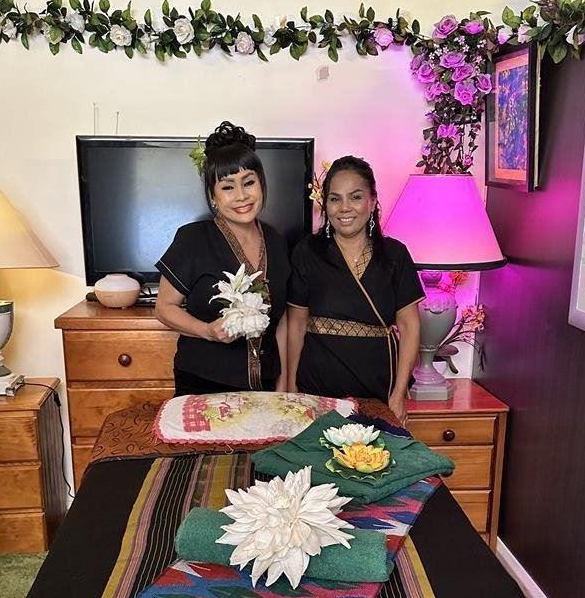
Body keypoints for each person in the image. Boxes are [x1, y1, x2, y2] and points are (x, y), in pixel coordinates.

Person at [154, 121, 289, 395]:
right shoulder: (193, 239)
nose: (241, 196)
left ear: (262, 184)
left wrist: (283, 381)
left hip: (265, 386)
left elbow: (282, 320)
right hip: (203, 385)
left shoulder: (277, 241)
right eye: (228, 187)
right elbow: (164, 308)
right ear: (212, 196)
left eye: (249, 183)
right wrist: (207, 330)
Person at [287, 155, 422, 422]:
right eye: (335, 199)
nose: (344, 208)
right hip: (316, 389)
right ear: (325, 204)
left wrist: (398, 394)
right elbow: (296, 324)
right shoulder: (307, 251)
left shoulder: (395, 255)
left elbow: (410, 327)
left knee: (375, 450)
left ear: (372, 201)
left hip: (379, 389)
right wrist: (291, 387)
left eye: (356, 197)